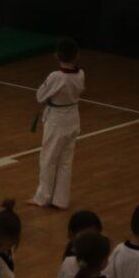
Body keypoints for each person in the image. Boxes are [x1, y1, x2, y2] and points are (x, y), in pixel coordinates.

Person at [30, 38, 84, 209]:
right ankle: (61, 200)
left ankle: (43, 197)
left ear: (56, 55)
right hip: (73, 118)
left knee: (48, 159)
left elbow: (40, 96)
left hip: (57, 121)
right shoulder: (81, 74)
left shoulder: (56, 76)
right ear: (77, 55)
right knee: (65, 161)